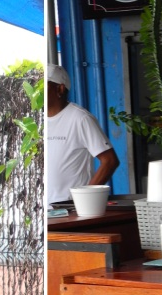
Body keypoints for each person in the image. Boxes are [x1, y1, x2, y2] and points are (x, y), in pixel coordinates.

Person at [45, 64, 119, 206]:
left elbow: (109, 161)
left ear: (59, 89)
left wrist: (84, 201)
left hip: (69, 212)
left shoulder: (80, 118)